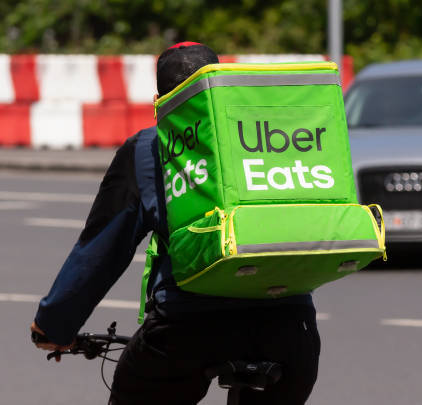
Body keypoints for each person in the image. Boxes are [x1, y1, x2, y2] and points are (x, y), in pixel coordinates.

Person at [30, 42, 320, 405]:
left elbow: (101, 251)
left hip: (188, 328)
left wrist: (54, 326)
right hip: (291, 328)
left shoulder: (150, 149)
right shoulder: (266, 138)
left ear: (159, 102)